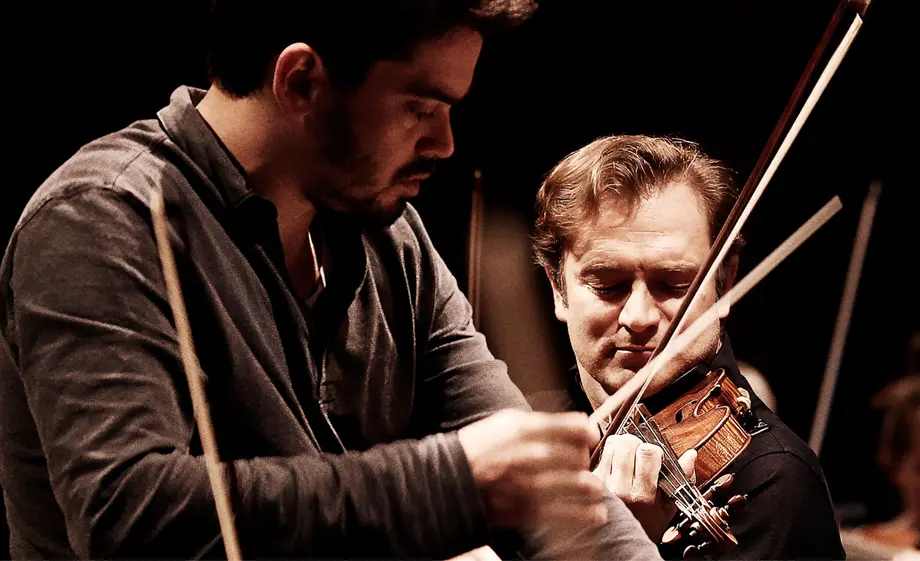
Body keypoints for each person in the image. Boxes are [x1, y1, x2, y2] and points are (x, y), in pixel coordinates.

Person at [0, 3, 663, 559]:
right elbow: (130, 518)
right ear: (302, 82)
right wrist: (454, 483)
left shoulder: (390, 235)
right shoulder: (100, 219)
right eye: (419, 107)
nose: (444, 143)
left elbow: (537, 484)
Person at [531, 134, 846, 559]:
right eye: (607, 285)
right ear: (558, 288)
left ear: (725, 283)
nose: (638, 317)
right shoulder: (528, 429)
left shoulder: (775, 484)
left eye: (674, 284)